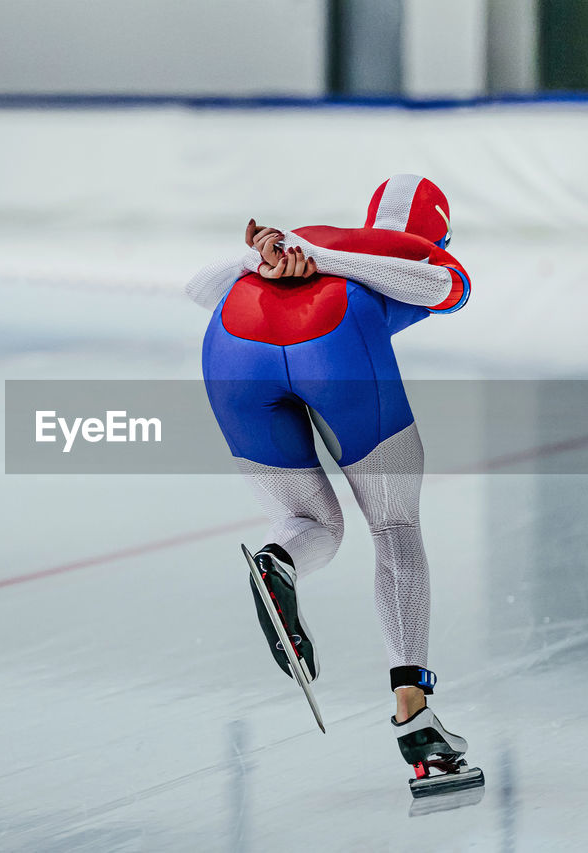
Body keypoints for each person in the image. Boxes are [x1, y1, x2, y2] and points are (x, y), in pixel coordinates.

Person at [185, 174, 472, 768]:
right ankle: (412, 712)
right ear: (437, 228)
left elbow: (197, 289)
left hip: (231, 351)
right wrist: (326, 260)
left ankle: (278, 563)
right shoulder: (410, 247)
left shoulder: (302, 237)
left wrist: (259, 258)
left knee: (307, 520)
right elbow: (447, 287)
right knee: (393, 530)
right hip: (335, 347)